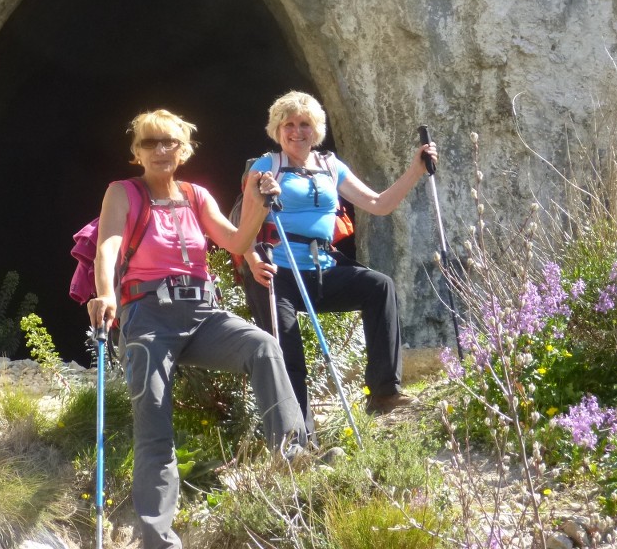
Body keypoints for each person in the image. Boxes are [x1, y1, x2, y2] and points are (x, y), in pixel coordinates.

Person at [87, 109, 307, 549]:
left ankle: (291, 457)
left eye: (169, 141)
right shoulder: (122, 192)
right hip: (147, 317)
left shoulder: (196, 195)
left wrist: (258, 204)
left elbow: (237, 242)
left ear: (183, 148)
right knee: (154, 427)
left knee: (262, 347)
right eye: (150, 143)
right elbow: (107, 246)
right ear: (137, 153)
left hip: (203, 313)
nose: (160, 150)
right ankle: (158, 540)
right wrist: (106, 293)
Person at [242, 91, 436, 442]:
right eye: (289, 124)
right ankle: (298, 436)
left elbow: (378, 204)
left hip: (323, 269)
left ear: (316, 129)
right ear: (277, 129)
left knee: (379, 286)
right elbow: (245, 226)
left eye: (305, 124)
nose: (297, 132)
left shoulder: (331, 166)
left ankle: (384, 392)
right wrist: (254, 261)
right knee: (288, 353)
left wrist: (415, 170)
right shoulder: (264, 167)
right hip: (276, 272)